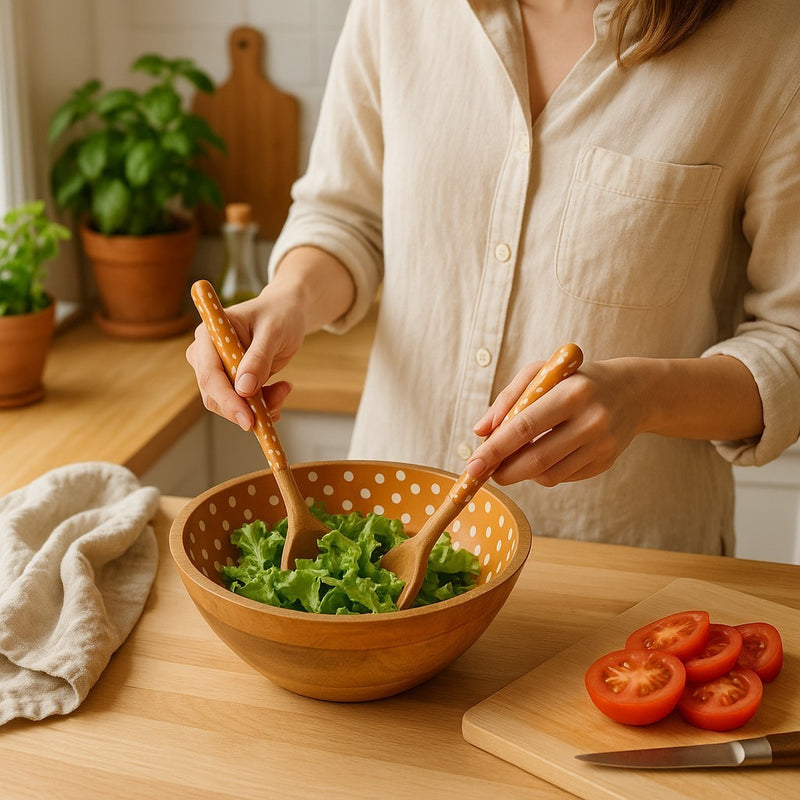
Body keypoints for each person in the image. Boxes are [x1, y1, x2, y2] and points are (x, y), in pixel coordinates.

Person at [187, 0, 800, 556]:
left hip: (618, 561)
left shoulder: (772, 38)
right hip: (383, 529)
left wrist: (643, 396)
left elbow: (790, 343)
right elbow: (347, 215)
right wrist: (290, 299)